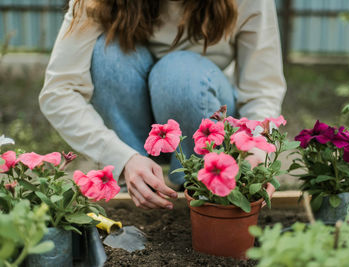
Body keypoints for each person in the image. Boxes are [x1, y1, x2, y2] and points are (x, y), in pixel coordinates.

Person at [39, 0, 286, 210]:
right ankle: (139, 183)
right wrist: (122, 158)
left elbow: (262, 89)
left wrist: (258, 152)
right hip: (136, 126)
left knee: (178, 74)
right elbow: (59, 91)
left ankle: (197, 186)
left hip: (203, 107)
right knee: (108, 55)